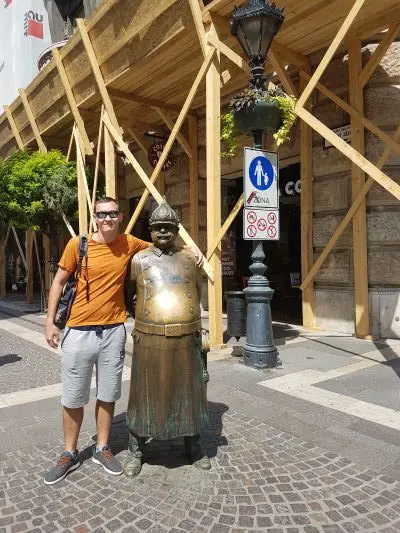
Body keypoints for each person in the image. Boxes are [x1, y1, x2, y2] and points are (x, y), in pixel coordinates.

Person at [44, 197, 202, 485]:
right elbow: (58, 282)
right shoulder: (77, 245)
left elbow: (166, 250)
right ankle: (69, 451)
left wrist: (191, 249)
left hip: (113, 330)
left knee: (108, 393)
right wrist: (50, 322)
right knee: (74, 395)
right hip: (79, 330)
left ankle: (103, 448)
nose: (107, 219)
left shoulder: (131, 245)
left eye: (112, 214)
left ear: (119, 217)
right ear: (95, 217)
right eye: (102, 214)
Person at [124, 200, 211, 477]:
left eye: (169, 227)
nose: (163, 232)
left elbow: (198, 292)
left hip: (187, 339)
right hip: (149, 340)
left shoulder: (190, 259)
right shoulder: (139, 260)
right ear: (150, 230)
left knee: (190, 393)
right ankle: (137, 450)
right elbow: (128, 297)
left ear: (177, 230)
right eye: (158, 227)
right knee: (143, 396)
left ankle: (194, 446)